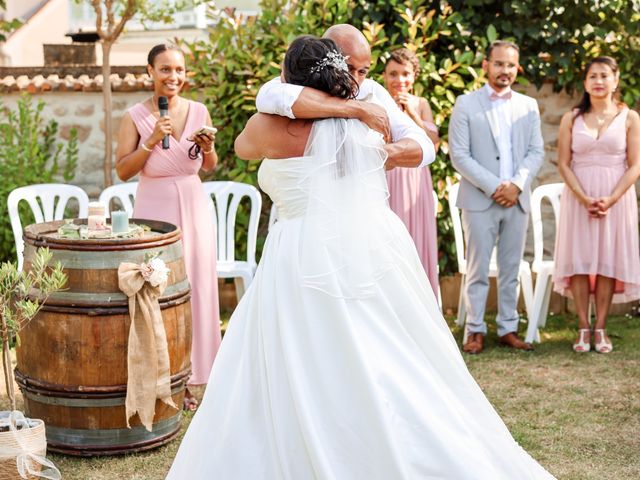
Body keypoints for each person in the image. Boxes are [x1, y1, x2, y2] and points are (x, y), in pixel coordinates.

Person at [167, 35, 556, 479]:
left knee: (298, 354)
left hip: (296, 252)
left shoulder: (267, 126)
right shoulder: (362, 121)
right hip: (365, 247)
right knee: (380, 351)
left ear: (291, 77)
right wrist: (355, 116)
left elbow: (241, 147)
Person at [116, 44, 221, 409]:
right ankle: (163, 377)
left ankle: (195, 376)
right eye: (164, 69)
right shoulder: (133, 117)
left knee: (197, 290)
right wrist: (148, 143)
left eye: (179, 69)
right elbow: (123, 170)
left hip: (194, 208)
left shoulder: (199, 110)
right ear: (150, 71)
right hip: (154, 211)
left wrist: (207, 147)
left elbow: (209, 166)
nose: (173, 76)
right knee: (159, 293)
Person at [448, 40, 544, 354]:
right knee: (476, 269)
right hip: (479, 199)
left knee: (511, 266)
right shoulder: (465, 103)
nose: (505, 71)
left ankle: (508, 328)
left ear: (517, 68)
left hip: (516, 200)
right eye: (499, 64)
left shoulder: (528, 105)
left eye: (511, 65)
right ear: (486, 65)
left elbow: (536, 151)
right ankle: (474, 329)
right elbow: (459, 156)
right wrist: (495, 187)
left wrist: (516, 185)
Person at [255, 24, 435, 170]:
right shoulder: (291, 84)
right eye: (347, 68)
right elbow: (268, 97)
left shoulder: (372, 90)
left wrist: (371, 155)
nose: (355, 80)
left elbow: (425, 147)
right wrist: (359, 110)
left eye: (363, 71)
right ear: (325, 56)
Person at [553, 56, 640, 353]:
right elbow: (563, 164)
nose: (598, 81)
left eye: (604, 75)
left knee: (606, 261)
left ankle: (600, 328)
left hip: (616, 200)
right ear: (585, 82)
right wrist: (583, 197)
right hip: (579, 198)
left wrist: (611, 199)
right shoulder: (571, 118)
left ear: (616, 80)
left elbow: (636, 164)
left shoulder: (630, 118)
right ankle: (582, 327)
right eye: (593, 76)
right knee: (579, 261)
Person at [381, 47, 440, 297]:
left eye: (405, 73)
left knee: (415, 237)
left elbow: (434, 142)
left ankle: (421, 299)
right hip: (387, 176)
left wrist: (414, 115)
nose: (399, 80)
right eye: (393, 74)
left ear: (414, 76)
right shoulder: (378, 102)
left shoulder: (422, 104)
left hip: (415, 179)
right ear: (384, 76)